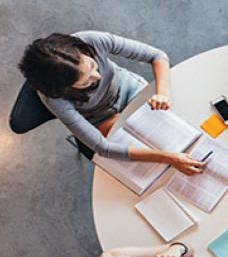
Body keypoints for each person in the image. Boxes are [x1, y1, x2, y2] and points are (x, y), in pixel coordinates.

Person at [18, 31, 206, 175]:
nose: (98, 76)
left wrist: (163, 93)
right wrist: (168, 159)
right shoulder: (54, 99)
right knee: (147, 148)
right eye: (86, 82)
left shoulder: (90, 40)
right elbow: (103, 147)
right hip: (98, 116)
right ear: (65, 89)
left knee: (177, 120)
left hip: (128, 88)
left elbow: (157, 56)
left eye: (93, 65)